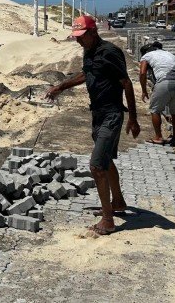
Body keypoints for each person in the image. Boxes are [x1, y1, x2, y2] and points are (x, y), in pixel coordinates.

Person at [45, 16, 141, 235]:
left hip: (112, 114)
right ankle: (117, 202)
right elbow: (85, 73)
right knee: (105, 161)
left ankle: (108, 220)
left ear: (93, 33)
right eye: (76, 38)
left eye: (81, 37)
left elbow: (127, 84)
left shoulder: (110, 52)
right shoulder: (89, 51)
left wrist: (133, 119)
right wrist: (60, 87)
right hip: (97, 114)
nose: (79, 41)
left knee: (97, 166)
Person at [139, 43, 175, 145]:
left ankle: (158, 137)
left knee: (155, 110)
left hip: (164, 82)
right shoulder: (170, 54)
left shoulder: (147, 56)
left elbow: (142, 73)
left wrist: (144, 90)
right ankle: (174, 138)